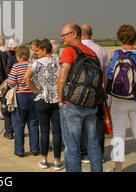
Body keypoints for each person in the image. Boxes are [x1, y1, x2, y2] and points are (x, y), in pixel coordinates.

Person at [106, 25, 136, 172]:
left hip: (118, 100)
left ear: (119, 38)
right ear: (134, 37)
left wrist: (111, 60)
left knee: (119, 135)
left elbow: (109, 76)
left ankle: (118, 168)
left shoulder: (117, 54)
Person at [57, 23, 103, 172]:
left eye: (64, 35)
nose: (62, 39)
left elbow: (63, 76)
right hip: (91, 104)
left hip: (73, 104)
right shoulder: (92, 52)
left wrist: (60, 99)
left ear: (74, 34)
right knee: (93, 144)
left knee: (72, 147)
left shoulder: (69, 51)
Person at [25, 39, 64, 170]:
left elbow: (27, 78)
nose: (36, 53)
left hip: (42, 99)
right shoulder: (59, 61)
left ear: (44, 50)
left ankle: (44, 159)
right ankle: (58, 160)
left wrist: (35, 90)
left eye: (38, 50)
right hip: (57, 99)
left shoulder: (37, 63)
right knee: (57, 131)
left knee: (44, 130)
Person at [80, 24, 109, 164]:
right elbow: (105, 74)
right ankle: (99, 153)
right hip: (98, 91)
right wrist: (105, 90)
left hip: (81, 92)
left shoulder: (75, 49)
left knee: (80, 121)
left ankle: (84, 153)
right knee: (98, 122)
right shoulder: (101, 50)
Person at [7, 45, 39, 157]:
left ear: (19, 56)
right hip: (33, 95)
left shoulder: (16, 67)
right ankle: (35, 149)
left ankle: (19, 150)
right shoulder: (34, 65)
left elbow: (10, 83)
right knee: (33, 123)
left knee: (19, 124)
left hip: (20, 96)